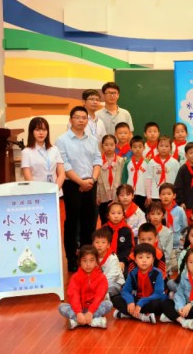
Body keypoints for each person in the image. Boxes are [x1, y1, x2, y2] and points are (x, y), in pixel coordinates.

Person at [56, 106, 102, 271]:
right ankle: (71, 258)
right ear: (70, 120)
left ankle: (86, 258)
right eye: (77, 117)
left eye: (84, 118)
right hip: (72, 185)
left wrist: (92, 180)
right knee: (72, 222)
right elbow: (64, 164)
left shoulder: (92, 139)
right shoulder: (62, 140)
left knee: (89, 222)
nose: (81, 120)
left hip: (91, 183)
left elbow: (97, 160)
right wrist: (80, 182)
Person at [58, 245, 112, 329]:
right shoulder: (75, 277)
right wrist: (78, 313)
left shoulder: (102, 278)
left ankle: (77, 322)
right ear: (80, 262)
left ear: (96, 261)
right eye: (84, 261)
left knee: (108, 304)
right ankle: (94, 321)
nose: (88, 264)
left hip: (94, 309)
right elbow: (74, 296)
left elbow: (99, 297)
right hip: (79, 309)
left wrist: (91, 312)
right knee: (62, 307)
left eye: (92, 260)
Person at [160, 248, 193, 330]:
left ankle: (172, 317)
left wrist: (191, 304)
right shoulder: (184, 274)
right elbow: (179, 293)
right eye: (191, 262)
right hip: (185, 304)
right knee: (166, 302)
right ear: (186, 263)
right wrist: (180, 307)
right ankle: (183, 321)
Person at [111, 243, 164, 324]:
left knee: (157, 303)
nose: (144, 260)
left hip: (149, 301)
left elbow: (158, 293)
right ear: (135, 260)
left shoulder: (157, 273)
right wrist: (130, 301)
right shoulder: (132, 273)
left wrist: (141, 303)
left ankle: (127, 314)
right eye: (140, 257)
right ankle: (142, 316)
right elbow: (125, 290)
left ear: (153, 259)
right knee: (115, 299)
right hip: (135, 300)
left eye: (148, 257)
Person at [21, 116, 65, 193]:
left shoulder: (54, 149)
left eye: (44, 130)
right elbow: (28, 177)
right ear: (31, 132)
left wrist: (55, 189)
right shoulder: (26, 152)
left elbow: (62, 174)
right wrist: (40, 193)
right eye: (37, 130)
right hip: (37, 193)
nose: (41, 133)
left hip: (55, 192)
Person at [159, 183, 187, 272]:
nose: (166, 196)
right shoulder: (158, 211)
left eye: (169, 194)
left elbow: (185, 228)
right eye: (163, 194)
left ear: (174, 195)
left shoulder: (180, 210)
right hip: (161, 245)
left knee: (175, 268)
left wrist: (182, 244)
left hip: (176, 246)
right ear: (159, 196)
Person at [97, 134, 124, 224]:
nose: (109, 147)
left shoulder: (121, 161)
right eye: (106, 145)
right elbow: (96, 180)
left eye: (112, 145)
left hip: (116, 194)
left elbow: (123, 179)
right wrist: (97, 195)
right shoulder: (98, 161)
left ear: (116, 145)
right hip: (103, 194)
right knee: (104, 218)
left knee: (118, 218)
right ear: (102, 146)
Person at [145, 136, 179, 205]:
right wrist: (148, 195)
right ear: (157, 148)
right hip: (155, 195)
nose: (164, 148)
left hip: (170, 195)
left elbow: (178, 180)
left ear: (171, 148)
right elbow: (148, 179)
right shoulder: (152, 162)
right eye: (161, 146)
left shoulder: (174, 162)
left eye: (167, 146)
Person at [92, 227, 124, 297]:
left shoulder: (113, 258)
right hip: (98, 283)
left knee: (107, 288)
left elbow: (111, 277)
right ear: (93, 244)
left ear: (108, 245)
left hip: (114, 283)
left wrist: (97, 285)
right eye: (97, 242)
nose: (99, 245)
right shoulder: (92, 257)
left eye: (103, 242)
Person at [102, 202, 133, 271]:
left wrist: (123, 261)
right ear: (108, 215)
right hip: (105, 260)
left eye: (119, 213)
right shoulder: (104, 229)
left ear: (123, 215)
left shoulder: (127, 230)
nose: (116, 216)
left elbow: (129, 249)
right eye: (113, 213)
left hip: (122, 261)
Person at [121, 136, 148, 211]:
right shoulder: (127, 163)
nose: (137, 149)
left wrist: (149, 196)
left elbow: (149, 180)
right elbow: (124, 179)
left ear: (144, 148)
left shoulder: (148, 163)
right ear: (131, 148)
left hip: (143, 193)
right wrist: (124, 193)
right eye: (135, 147)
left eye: (140, 147)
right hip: (130, 194)